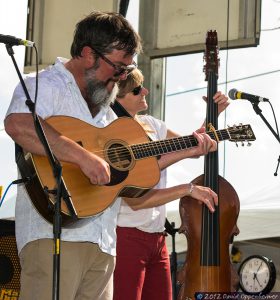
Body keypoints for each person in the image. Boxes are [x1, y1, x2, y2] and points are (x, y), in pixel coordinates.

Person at [4, 11, 142, 300]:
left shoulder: (106, 108)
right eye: (118, 67)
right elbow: (18, 124)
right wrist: (82, 156)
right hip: (53, 236)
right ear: (89, 54)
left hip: (103, 244)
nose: (121, 76)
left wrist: (189, 148)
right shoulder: (45, 85)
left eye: (127, 70)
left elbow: (135, 172)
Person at [112, 68, 229, 300]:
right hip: (126, 234)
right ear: (118, 98)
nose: (145, 90)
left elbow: (192, 145)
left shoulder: (152, 124)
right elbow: (141, 181)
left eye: (143, 85)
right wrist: (188, 184)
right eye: (137, 90)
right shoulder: (111, 131)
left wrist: (212, 115)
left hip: (157, 236)